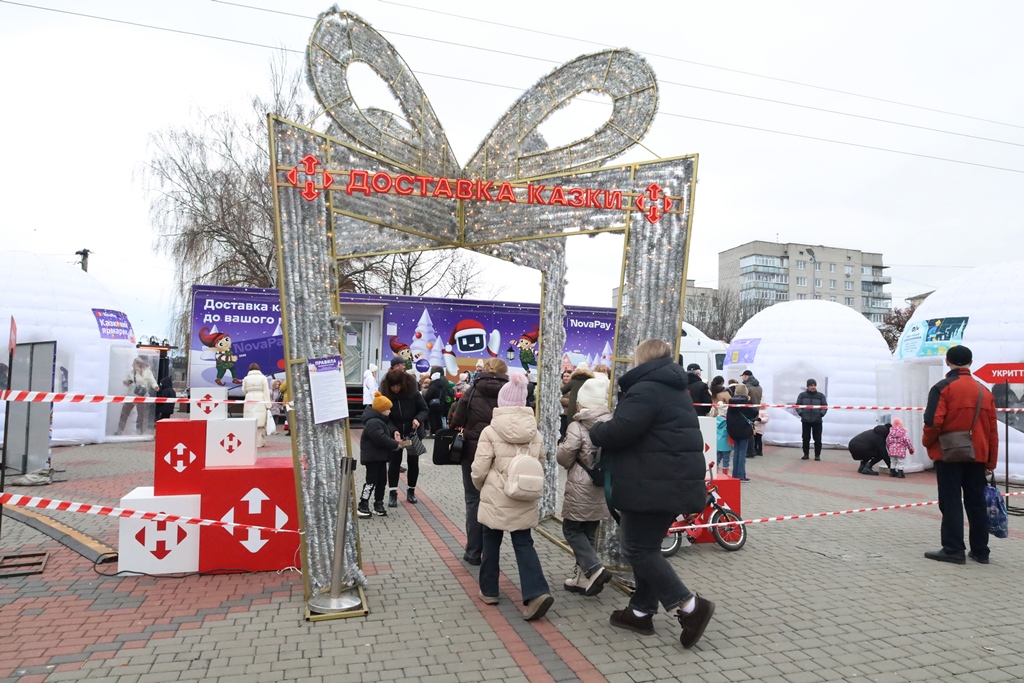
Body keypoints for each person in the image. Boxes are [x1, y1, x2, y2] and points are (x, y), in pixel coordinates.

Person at [590, 339, 716, 649]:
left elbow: (620, 431)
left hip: (650, 484)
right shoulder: (673, 389)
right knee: (646, 547)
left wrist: (597, 428)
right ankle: (640, 612)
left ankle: (689, 606)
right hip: (667, 482)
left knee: (636, 548)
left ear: (641, 360)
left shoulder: (646, 390)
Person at [471, 373, 553, 621]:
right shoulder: (535, 433)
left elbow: (479, 468)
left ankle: (489, 591)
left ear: (502, 402)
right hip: (524, 495)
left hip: (496, 495)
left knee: (490, 540)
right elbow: (540, 463)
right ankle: (536, 592)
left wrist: (480, 486)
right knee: (523, 542)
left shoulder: (490, 431)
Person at [922, 345, 998, 565]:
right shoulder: (985, 391)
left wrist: (927, 443)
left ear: (947, 362)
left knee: (951, 500)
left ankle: (954, 549)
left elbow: (933, 421)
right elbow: (993, 431)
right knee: (976, 502)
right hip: (979, 455)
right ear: (971, 363)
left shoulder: (942, 388)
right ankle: (981, 550)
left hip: (949, 453)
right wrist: (991, 461)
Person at [557, 373, 612, 597]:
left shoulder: (577, 426)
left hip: (581, 486)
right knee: (588, 532)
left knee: (571, 529)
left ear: (583, 401)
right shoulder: (612, 423)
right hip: (602, 485)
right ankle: (583, 579)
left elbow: (564, 458)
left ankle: (594, 569)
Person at [450, 357, 509, 566]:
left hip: (473, 451)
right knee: (496, 500)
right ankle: (491, 552)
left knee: (473, 499)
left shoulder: (472, 390)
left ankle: (474, 552)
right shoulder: (509, 391)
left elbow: (458, 419)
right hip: (502, 452)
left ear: (483, 369)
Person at [380, 366, 429, 507]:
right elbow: (383, 415)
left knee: (413, 462)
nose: (395, 389)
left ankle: (411, 491)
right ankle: (393, 493)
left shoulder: (413, 392)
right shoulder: (386, 394)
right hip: (395, 435)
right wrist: (393, 429)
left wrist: (418, 419)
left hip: (412, 433)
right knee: (394, 463)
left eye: (398, 386)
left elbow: (424, 409)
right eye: (393, 386)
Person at [357, 392, 403, 518]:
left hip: (380, 457)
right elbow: (380, 438)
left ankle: (379, 503)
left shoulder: (380, 421)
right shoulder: (374, 422)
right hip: (373, 458)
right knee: (371, 481)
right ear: (381, 409)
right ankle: (363, 503)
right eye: (387, 408)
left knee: (382, 481)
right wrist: (394, 444)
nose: (389, 411)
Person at [116, 356, 158, 435]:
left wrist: (155, 386)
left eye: (134, 363)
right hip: (131, 395)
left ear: (138, 364)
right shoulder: (131, 372)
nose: (132, 365)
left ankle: (140, 431)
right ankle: (119, 430)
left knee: (141, 415)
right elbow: (127, 382)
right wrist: (126, 382)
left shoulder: (147, 372)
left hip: (141, 396)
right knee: (124, 413)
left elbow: (152, 381)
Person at [726, 384, 757, 482]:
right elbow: (754, 413)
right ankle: (741, 475)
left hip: (733, 430)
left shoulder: (731, 403)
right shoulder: (746, 403)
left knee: (736, 452)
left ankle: (735, 474)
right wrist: (750, 401)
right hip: (744, 430)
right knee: (742, 452)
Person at [796, 379, 828, 461]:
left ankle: (817, 455)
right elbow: (797, 406)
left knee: (817, 439)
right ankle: (805, 454)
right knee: (805, 438)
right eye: (811, 385)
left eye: (814, 385)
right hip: (806, 420)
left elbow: (825, 406)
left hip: (817, 421)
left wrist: (821, 414)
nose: (813, 387)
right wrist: (801, 414)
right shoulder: (802, 395)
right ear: (807, 386)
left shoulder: (820, 396)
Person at [242, 363, 271, 448]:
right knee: (260, 423)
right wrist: (268, 404)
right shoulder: (263, 378)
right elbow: (266, 391)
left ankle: (250, 442)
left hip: (249, 398)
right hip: (260, 399)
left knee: (250, 421)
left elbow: (244, 390)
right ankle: (259, 442)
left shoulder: (246, 378)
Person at [424, 367, 453, 435]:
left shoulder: (433, 386)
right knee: (439, 417)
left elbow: (428, 396)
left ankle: (434, 431)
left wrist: (426, 401)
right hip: (441, 404)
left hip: (433, 405)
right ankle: (440, 431)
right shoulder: (442, 385)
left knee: (432, 418)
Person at [559, 369, 573, 440]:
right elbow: (559, 399)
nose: (566, 378)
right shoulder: (560, 386)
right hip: (562, 413)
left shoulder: (573, 386)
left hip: (571, 413)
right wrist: (571, 401)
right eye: (564, 376)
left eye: (568, 376)